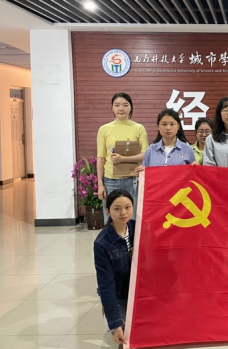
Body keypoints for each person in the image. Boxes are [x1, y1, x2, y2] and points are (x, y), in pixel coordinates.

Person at [97, 93, 148, 223]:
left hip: (133, 180)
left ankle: (129, 237)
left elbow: (145, 154)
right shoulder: (104, 129)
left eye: (125, 105)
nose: (121, 108)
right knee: (111, 218)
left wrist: (122, 159)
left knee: (131, 218)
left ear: (130, 108)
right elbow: (101, 158)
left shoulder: (139, 128)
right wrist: (100, 184)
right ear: (112, 108)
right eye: (117, 105)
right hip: (110, 180)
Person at [94, 189, 135, 346]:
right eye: (117, 208)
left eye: (127, 207)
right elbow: (106, 285)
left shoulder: (137, 229)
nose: (123, 212)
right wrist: (115, 323)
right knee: (125, 333)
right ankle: (108, 314)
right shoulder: (102, 243)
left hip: (139, 293)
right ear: (108, 211)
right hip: (119, 296)